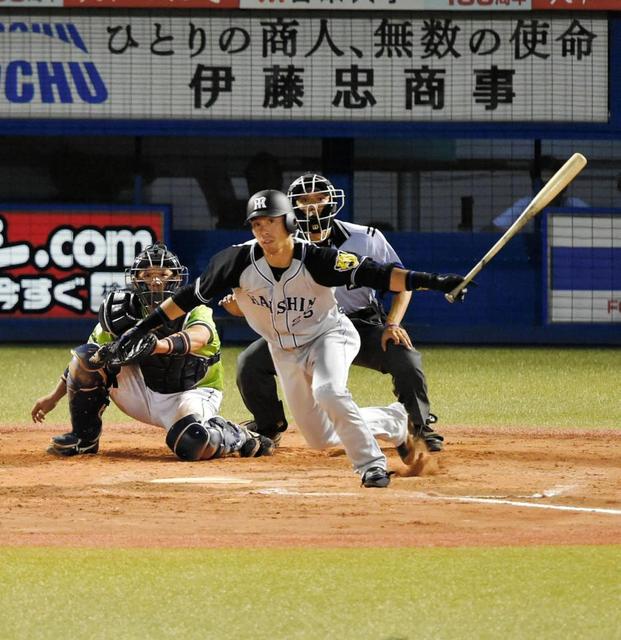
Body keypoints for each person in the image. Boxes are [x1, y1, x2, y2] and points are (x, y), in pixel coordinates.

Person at [109, 192, 469, 488]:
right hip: (285, 352)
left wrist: (438, 282)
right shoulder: (235, 261)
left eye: (271, 222)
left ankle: (371, 466)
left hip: (330, 336)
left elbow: (380, 274)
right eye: (257, 224)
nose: (264, 230)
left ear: (289, 223)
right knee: (321, 439)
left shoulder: (317, 258)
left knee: (330, 391)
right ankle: (393, 421)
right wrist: (140, 330)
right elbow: (186, 299)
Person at [227, 173, 444, 452]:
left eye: (320, 198)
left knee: (404, 355)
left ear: (333, 201)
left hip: (360, 323)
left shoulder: (365, 238)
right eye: (304, 200)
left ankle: (419, 426)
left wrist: (392, 324)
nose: (313, 206)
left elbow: (402, 283)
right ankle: (269, 427)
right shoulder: (276, 245)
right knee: (249, 363)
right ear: (291, 207)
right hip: (304, 329)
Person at [31, 242, 274, 461]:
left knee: (193, 442)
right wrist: (52, 397)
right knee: (87, 355)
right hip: (141, 391)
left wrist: (159, 345)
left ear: (176, 278)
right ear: (136, 280)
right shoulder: (120, 311)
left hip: (191, 392)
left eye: (162, 274)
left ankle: (236, 435)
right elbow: (90, 359)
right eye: (147, 274)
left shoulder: (193, 308)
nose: (155, 280)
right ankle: (84, 438)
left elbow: (200, 336)